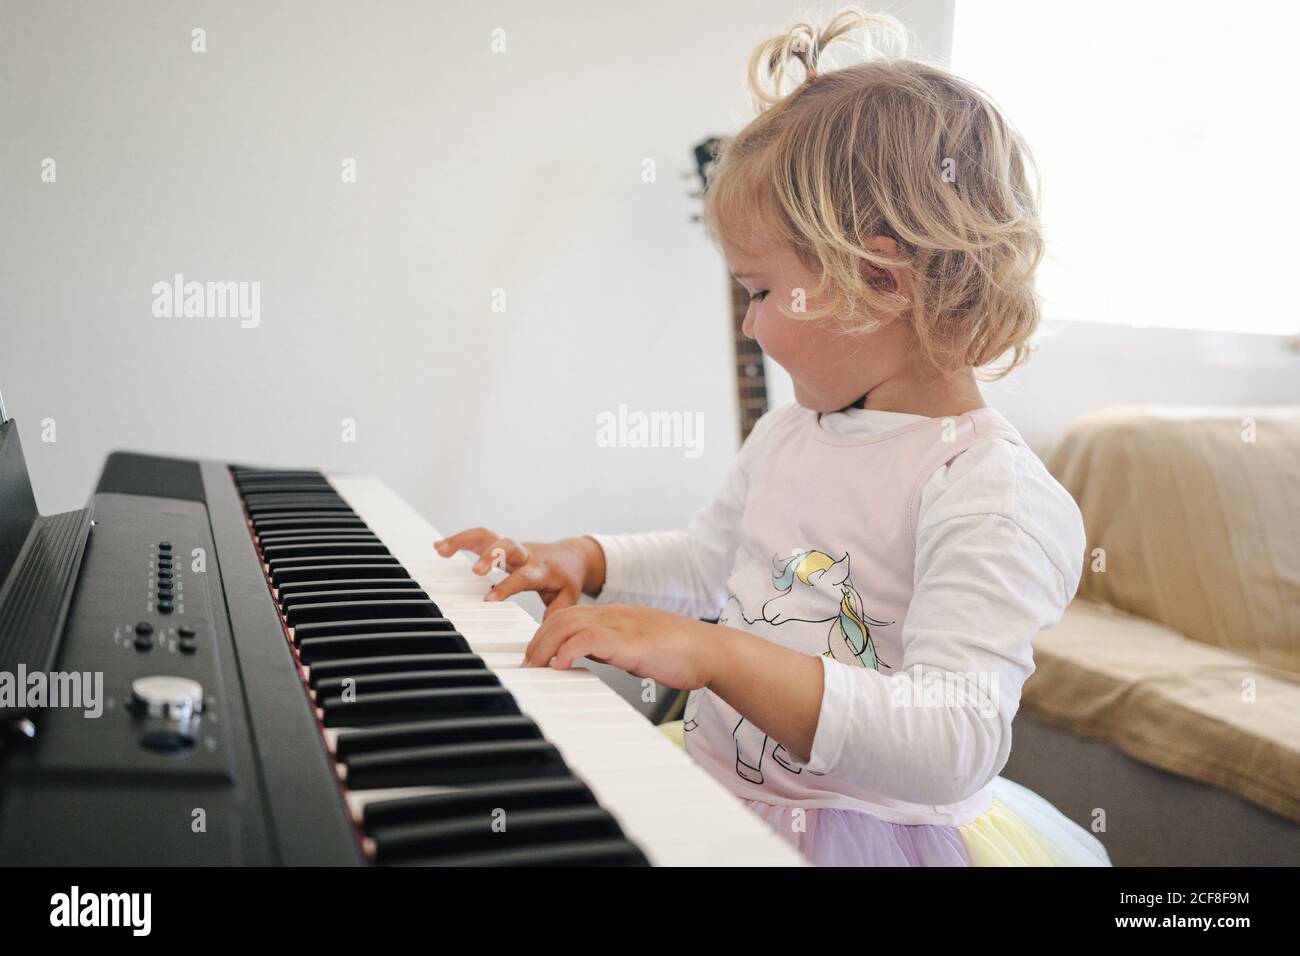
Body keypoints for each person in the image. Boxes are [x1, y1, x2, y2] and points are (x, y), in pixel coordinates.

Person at [436, 7, 1111, 867]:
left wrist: (718, 655)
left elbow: (955, 739)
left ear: (876, 279)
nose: (749, 325)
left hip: (856, 836)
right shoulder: (795, 432)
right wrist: (588, 559)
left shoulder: (985, 489)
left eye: (758, 290)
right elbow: (714, 565)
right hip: (717, 786)